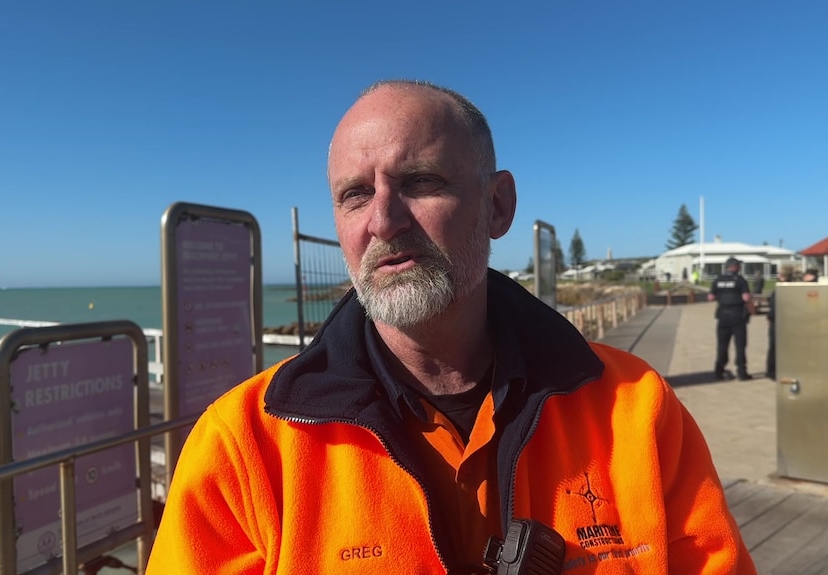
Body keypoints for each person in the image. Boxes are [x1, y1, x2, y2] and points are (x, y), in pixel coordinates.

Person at [146, 81, 755, 573]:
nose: (383, 220)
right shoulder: (247, 447)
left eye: (420, 183)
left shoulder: (635, 410)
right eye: (355, 195)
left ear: (497, 206)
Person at [708, 257, 753, 381]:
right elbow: (746, 298)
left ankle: (719, 371)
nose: (739, 267)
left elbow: (711, 297)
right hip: (737, 315)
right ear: (734, 267)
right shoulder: (740, 280)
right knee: (740, 345)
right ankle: (742, 373)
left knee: (722, 345)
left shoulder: (718, 280)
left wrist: (721, 297)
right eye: (738, 265)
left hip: (722, 315)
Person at [765, 267, 791, 380]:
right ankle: (776, 370)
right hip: (788, 320)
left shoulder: (780, 287)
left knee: (774, 346)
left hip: (778, 320)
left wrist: (769, 317)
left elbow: (774, 304)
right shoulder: (792, 287)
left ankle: (771, 371)